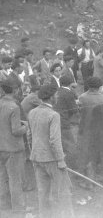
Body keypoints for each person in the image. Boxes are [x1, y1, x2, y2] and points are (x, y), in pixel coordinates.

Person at [28, 84, 74, 218]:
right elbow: (54, 140)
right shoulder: (53, 115)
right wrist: (60, 160)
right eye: (56, 94)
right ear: (51, 97)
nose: (58, 96)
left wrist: (34, 153)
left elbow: (29, 136)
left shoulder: (32, 112)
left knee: (43, 193)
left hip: (36, 158)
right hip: (52, 160)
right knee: (63, 192)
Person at [0, 80, 28, 213]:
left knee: (2, 177)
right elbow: (16, 131)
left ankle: (4, 205)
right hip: (13, 148)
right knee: (15, 179)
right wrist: (26, 126)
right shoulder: (14, 106)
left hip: (1, 147)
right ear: (15, 89)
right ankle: (19, 209)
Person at [54, 75, 79, 168]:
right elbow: (73, 110)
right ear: (70, 83)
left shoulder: (57, 91)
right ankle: (73, 167)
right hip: (64, 122)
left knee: (61, 144)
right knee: (71, 145)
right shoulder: (68, 93)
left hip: (56, 120)